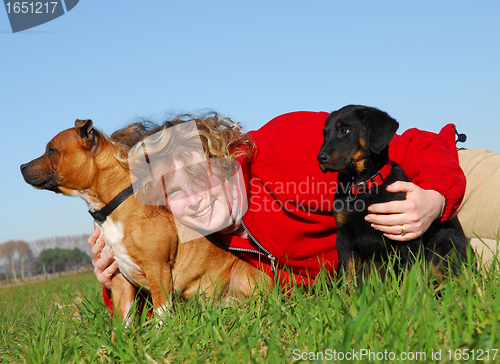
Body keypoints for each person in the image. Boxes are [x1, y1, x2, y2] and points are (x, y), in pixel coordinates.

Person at [89, 109, 498, 294]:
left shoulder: (284, 147)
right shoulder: (211, 241)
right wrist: (118, 271)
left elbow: (413, 144)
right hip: (412, 254)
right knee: (482, 266)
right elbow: (167, 293)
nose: (192, 199)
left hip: (440, 180)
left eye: (197, 176)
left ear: (223, 155)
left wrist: (435, 198)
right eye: (173, 192)